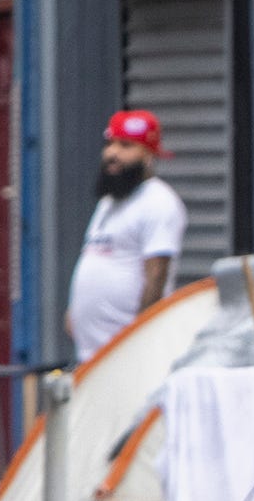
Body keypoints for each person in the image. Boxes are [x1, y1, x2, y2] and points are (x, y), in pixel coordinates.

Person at [67, 110, 185, 364]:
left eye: (126, 145)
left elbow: (156, 277)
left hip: (127, 358)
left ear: (149, 154)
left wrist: (137, 341)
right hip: (92, 356)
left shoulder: (158, 201)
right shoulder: (109, 202)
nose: (112, 153)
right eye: (109, 144)